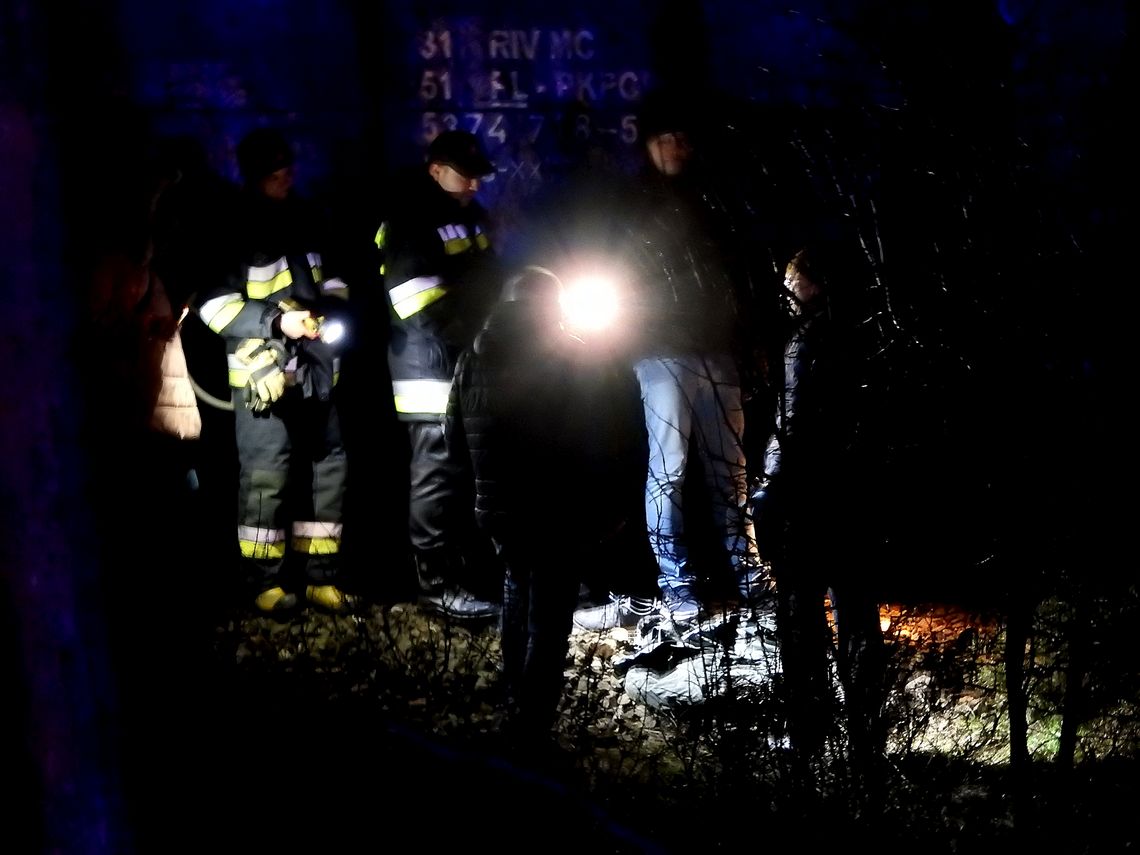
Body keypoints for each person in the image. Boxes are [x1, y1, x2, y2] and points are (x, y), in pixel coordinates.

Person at [444, 266, 644, 748]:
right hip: (559, 505)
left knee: (517, 588)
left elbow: (452, 437)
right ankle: (532, 724)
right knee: (550, 617)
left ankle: (513, 698)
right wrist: (611, 501)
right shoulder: (573, 354)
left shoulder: (474, 354)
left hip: (498, 506)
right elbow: (607, 432)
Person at [618, 92, 770, 626]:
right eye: (668, 138)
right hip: (664, 352)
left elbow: (736, 273)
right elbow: (625, 279)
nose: (679, 147)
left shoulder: (711, 196)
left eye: (684, 137)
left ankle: (749, 575)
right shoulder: (633, 203)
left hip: (716, 349)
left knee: (730, 471)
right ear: (648, 143)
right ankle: (677, 585)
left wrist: (745, 337)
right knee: (670, 471)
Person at [190, 127, 353, 614]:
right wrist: (276, 321)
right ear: (254, 173)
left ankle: (321, 578)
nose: (286, 177)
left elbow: (335, 281)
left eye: (288, 169)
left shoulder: (307, 217)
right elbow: (214, 305)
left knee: (328, 470)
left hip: (318, 369)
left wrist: (331, 316)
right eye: (275, 172)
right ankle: (264, 583)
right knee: (266, 479)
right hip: (263, 374)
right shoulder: (230, 226)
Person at [750, 246, 880, 764]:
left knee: (801, 615)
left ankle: (808, 734)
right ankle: (866, 737)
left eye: (790, 281)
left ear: (809, 283)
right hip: (857, 495)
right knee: (857, 613)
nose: (785, 291)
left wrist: (767, 493)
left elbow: (793, 422)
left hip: (808, 496)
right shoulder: (871, 332)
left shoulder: (806, 340)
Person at [376, 130, 503, 619]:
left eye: (477, 175)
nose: (473, 182)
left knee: (465, 477)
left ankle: (464, 575)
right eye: (463, 173)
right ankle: (434, 585)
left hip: (465, 366)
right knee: (435, 477)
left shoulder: (471, 218)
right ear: (434, 168)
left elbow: (488, 280)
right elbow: (413, 299)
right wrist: (477, 328)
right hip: (428, 369)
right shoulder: (412, 216)